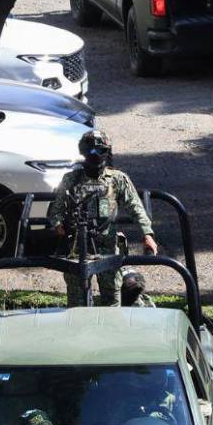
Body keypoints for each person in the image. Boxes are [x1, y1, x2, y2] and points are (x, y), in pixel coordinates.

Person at [46, 130, 158, 307]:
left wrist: (147, 234)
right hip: (78, 248)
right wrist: (58, 225)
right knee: (77, 305)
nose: (95, 156)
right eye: (90, 152)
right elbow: (55, 209)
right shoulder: (71, 179)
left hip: (108, 249)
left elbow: (135, 207)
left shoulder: (118, 179)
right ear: (83, 152)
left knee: (112, 301)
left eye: (100, 151)